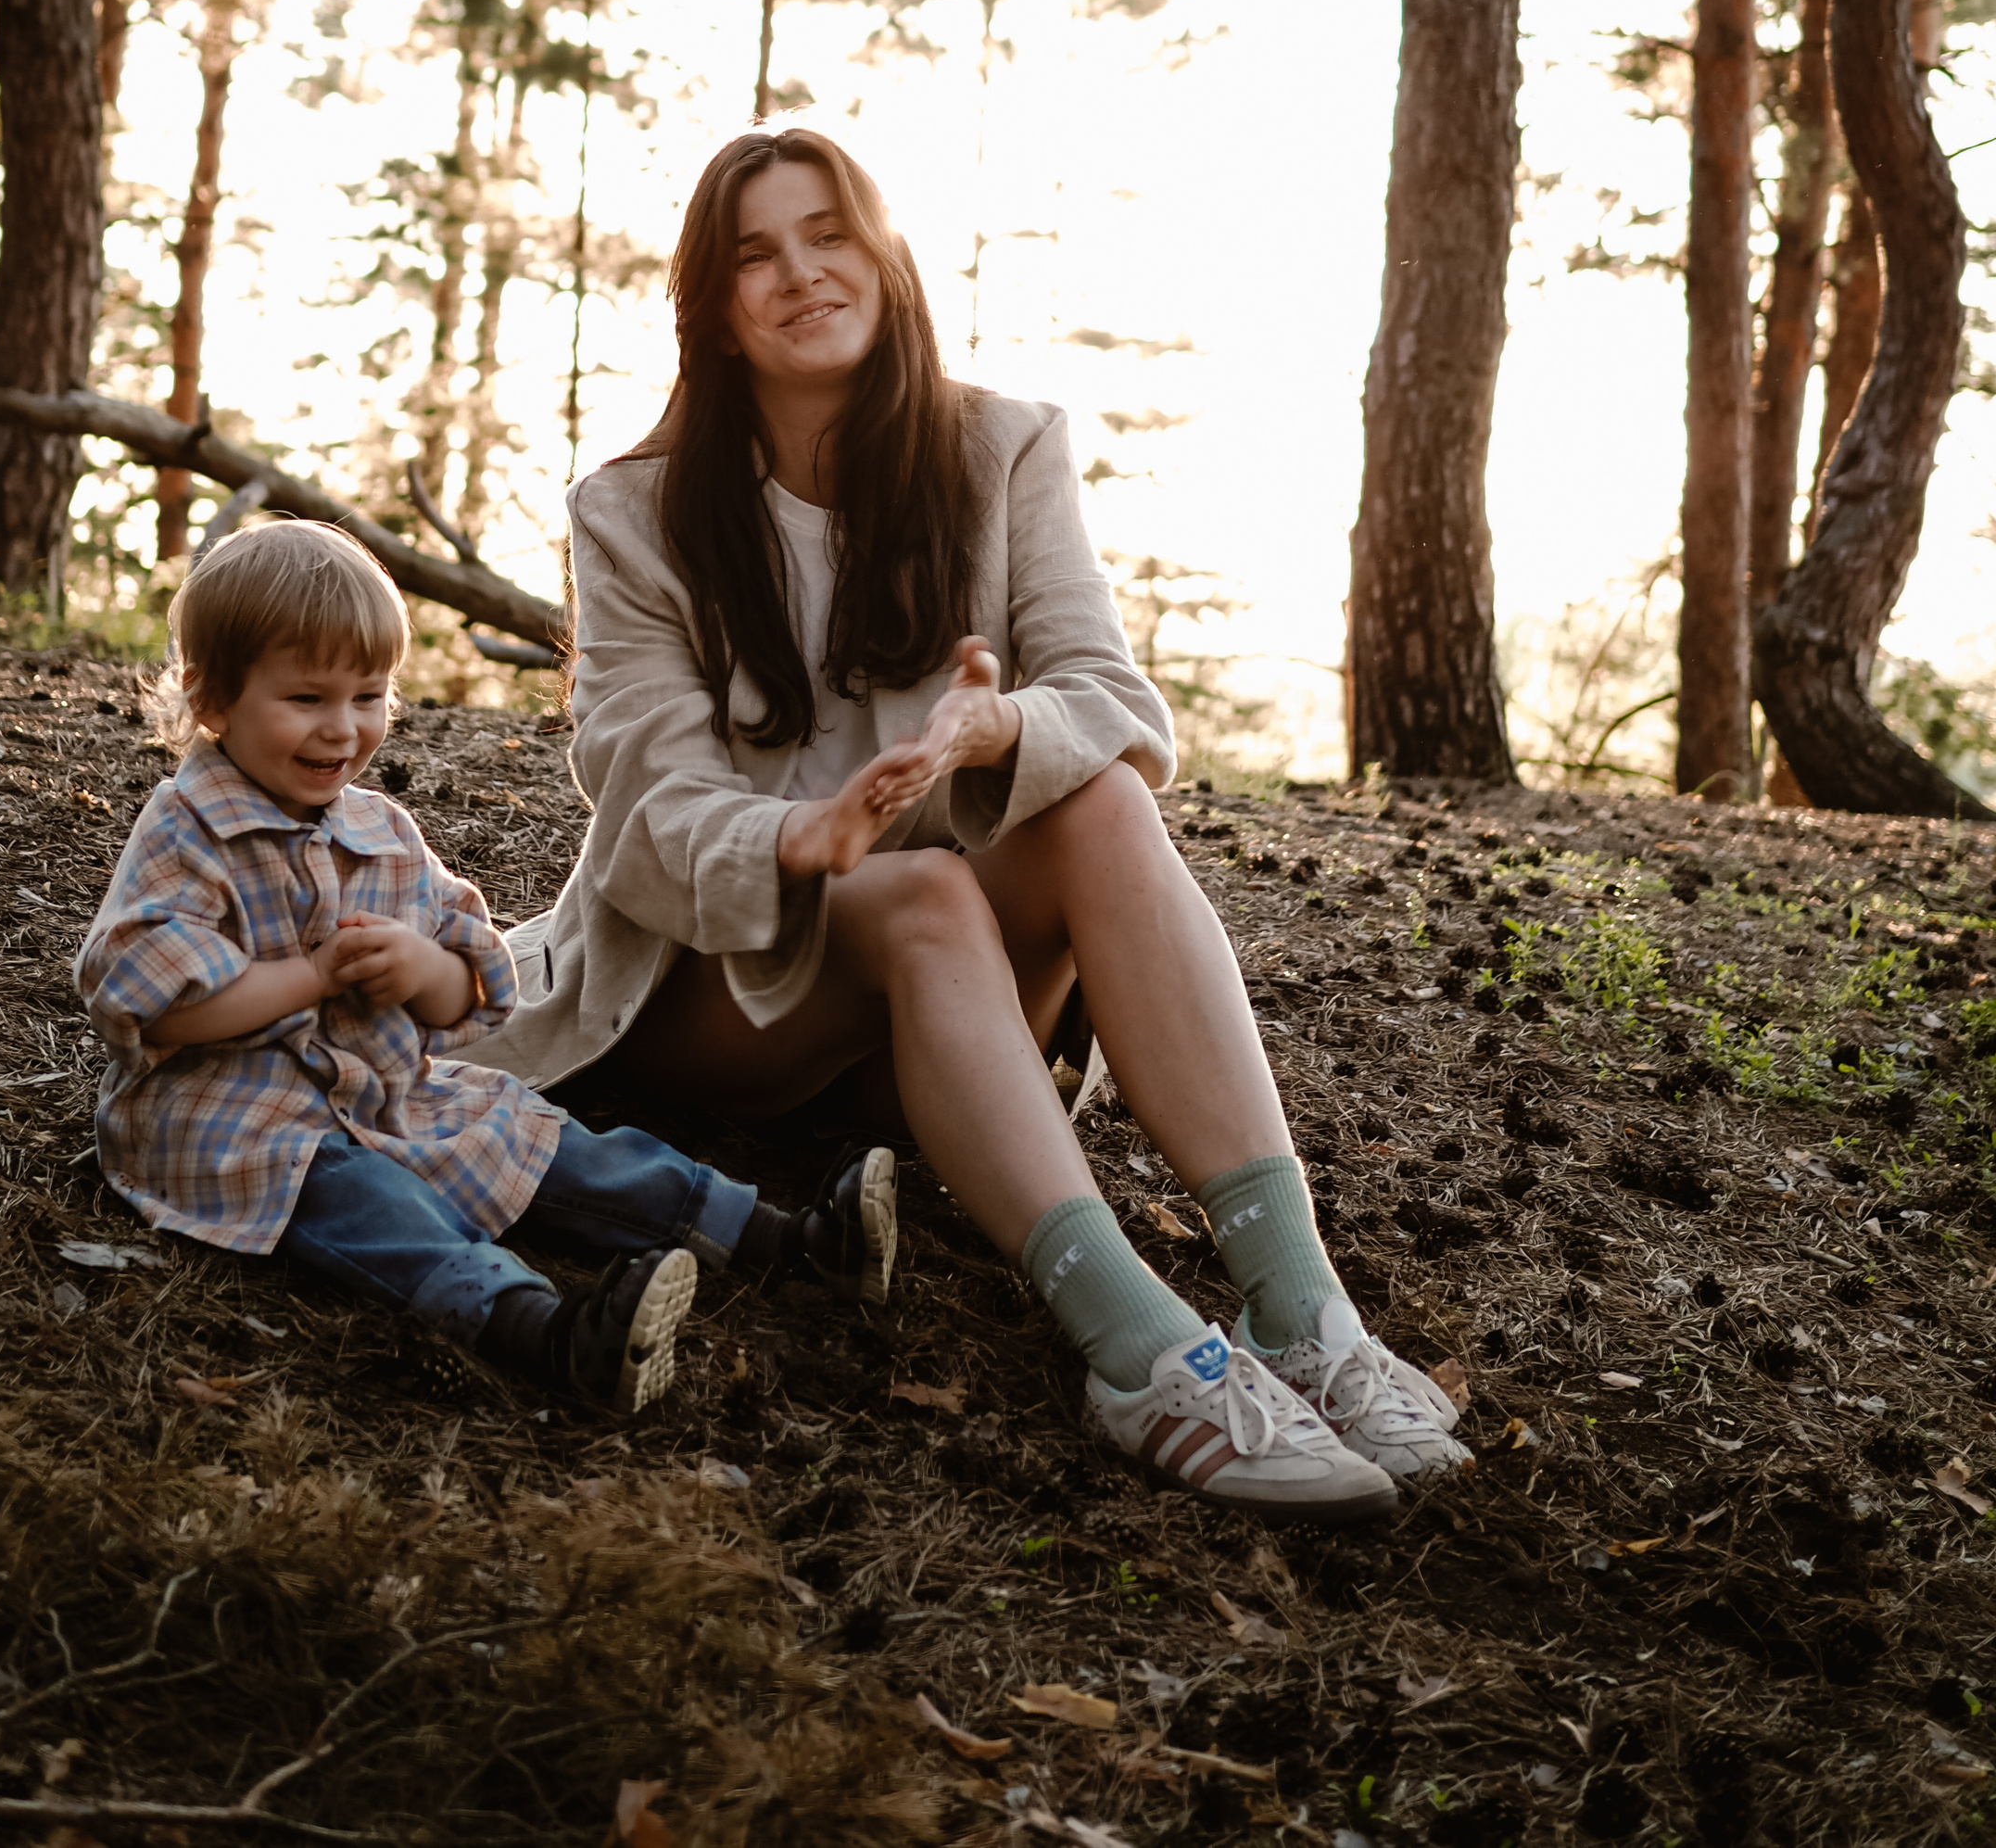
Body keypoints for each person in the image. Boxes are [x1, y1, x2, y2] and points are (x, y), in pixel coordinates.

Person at [493, 126, 1467, 1521]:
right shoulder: (633, 513)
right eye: (756, 253)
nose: (801, 272)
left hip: (945, 1038)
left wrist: (1002, 729)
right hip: (722, 994)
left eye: (827, 231)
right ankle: (1137, 1353)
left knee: (1105, 801)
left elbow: (1111, 696)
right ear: (711, 308)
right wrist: (801, 841)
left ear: (885, 251)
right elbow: (645, 802)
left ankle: (1301, 1313)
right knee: (927, 895)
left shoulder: (1003, 448)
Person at [74, 514, 893, 1414]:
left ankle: (789, 1241)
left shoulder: (379, 831)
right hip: (233, 1116)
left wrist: (419, 964)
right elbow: (159, 1006)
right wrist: (311, 976)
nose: (342, 728)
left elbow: (469, 988)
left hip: (388, 1090)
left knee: (537, 1132)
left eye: (368, 696)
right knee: (366, 1198)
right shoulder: (187, 828)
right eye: (307, 698)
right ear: (213, 699)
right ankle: (538, 1328)